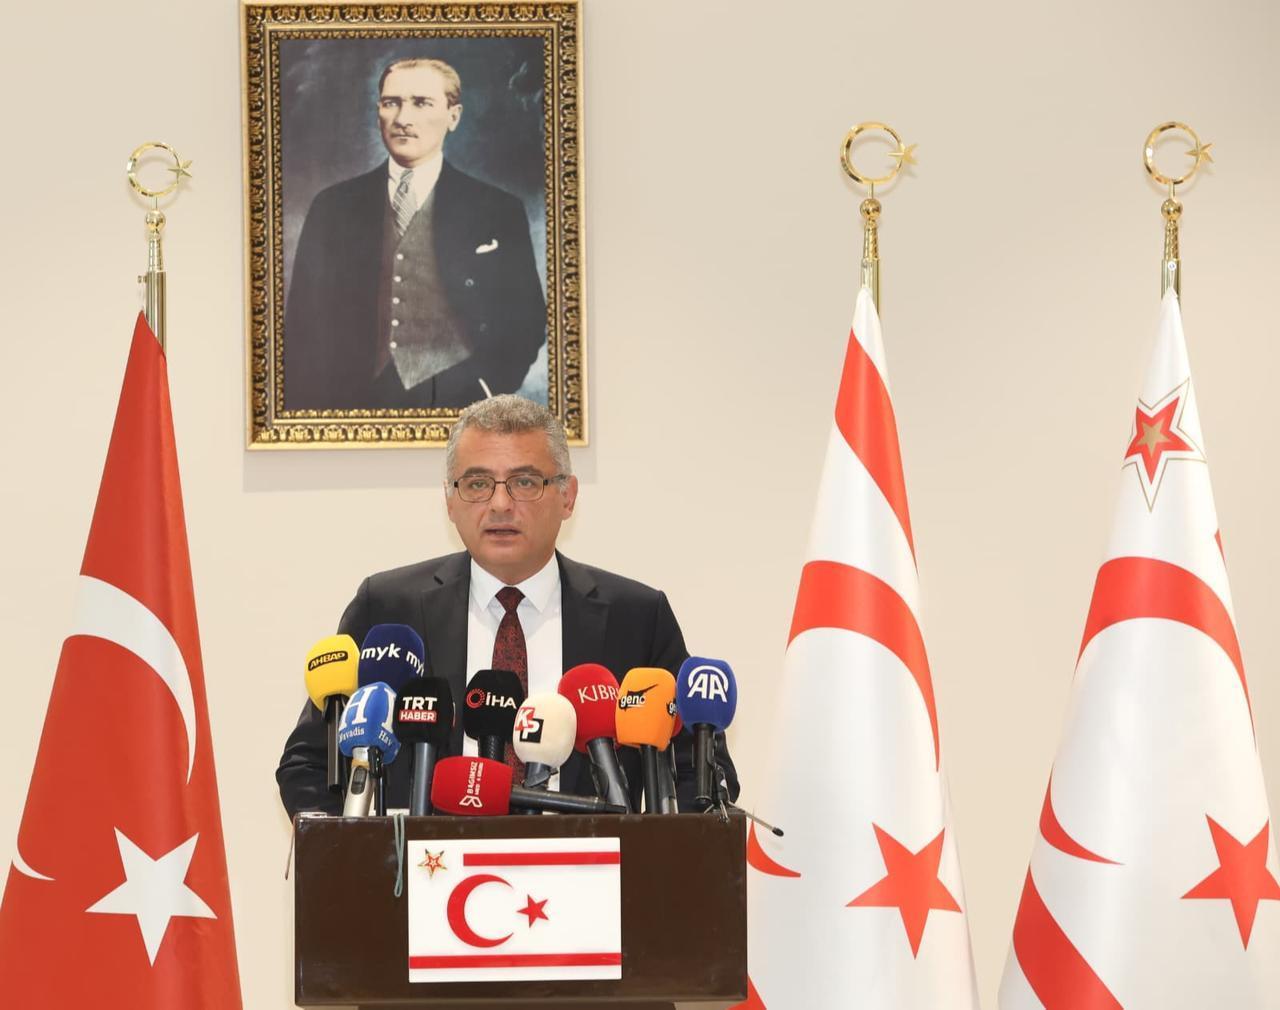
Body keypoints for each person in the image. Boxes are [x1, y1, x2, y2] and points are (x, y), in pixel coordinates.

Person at [276, 395, 738, 816]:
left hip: (591, 890)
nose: (499, 504)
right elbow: (310, 766)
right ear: (450, 500)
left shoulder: (636, 617)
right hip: (422, 889)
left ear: (568, 496)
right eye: (477, 483)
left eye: (524, 482)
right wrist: (367, 862)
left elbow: (700, 774)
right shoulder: (387, 608)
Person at [283, 57, 546, 410]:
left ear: (454, 116)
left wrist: (485, 387)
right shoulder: (333, 206)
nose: (403, 118)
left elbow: (525, 319)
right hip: (349, 403)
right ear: (378, 112)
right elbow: (302, 321)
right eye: (391, 103)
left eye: (422, 103)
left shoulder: (497, 209)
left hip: (458, 404)